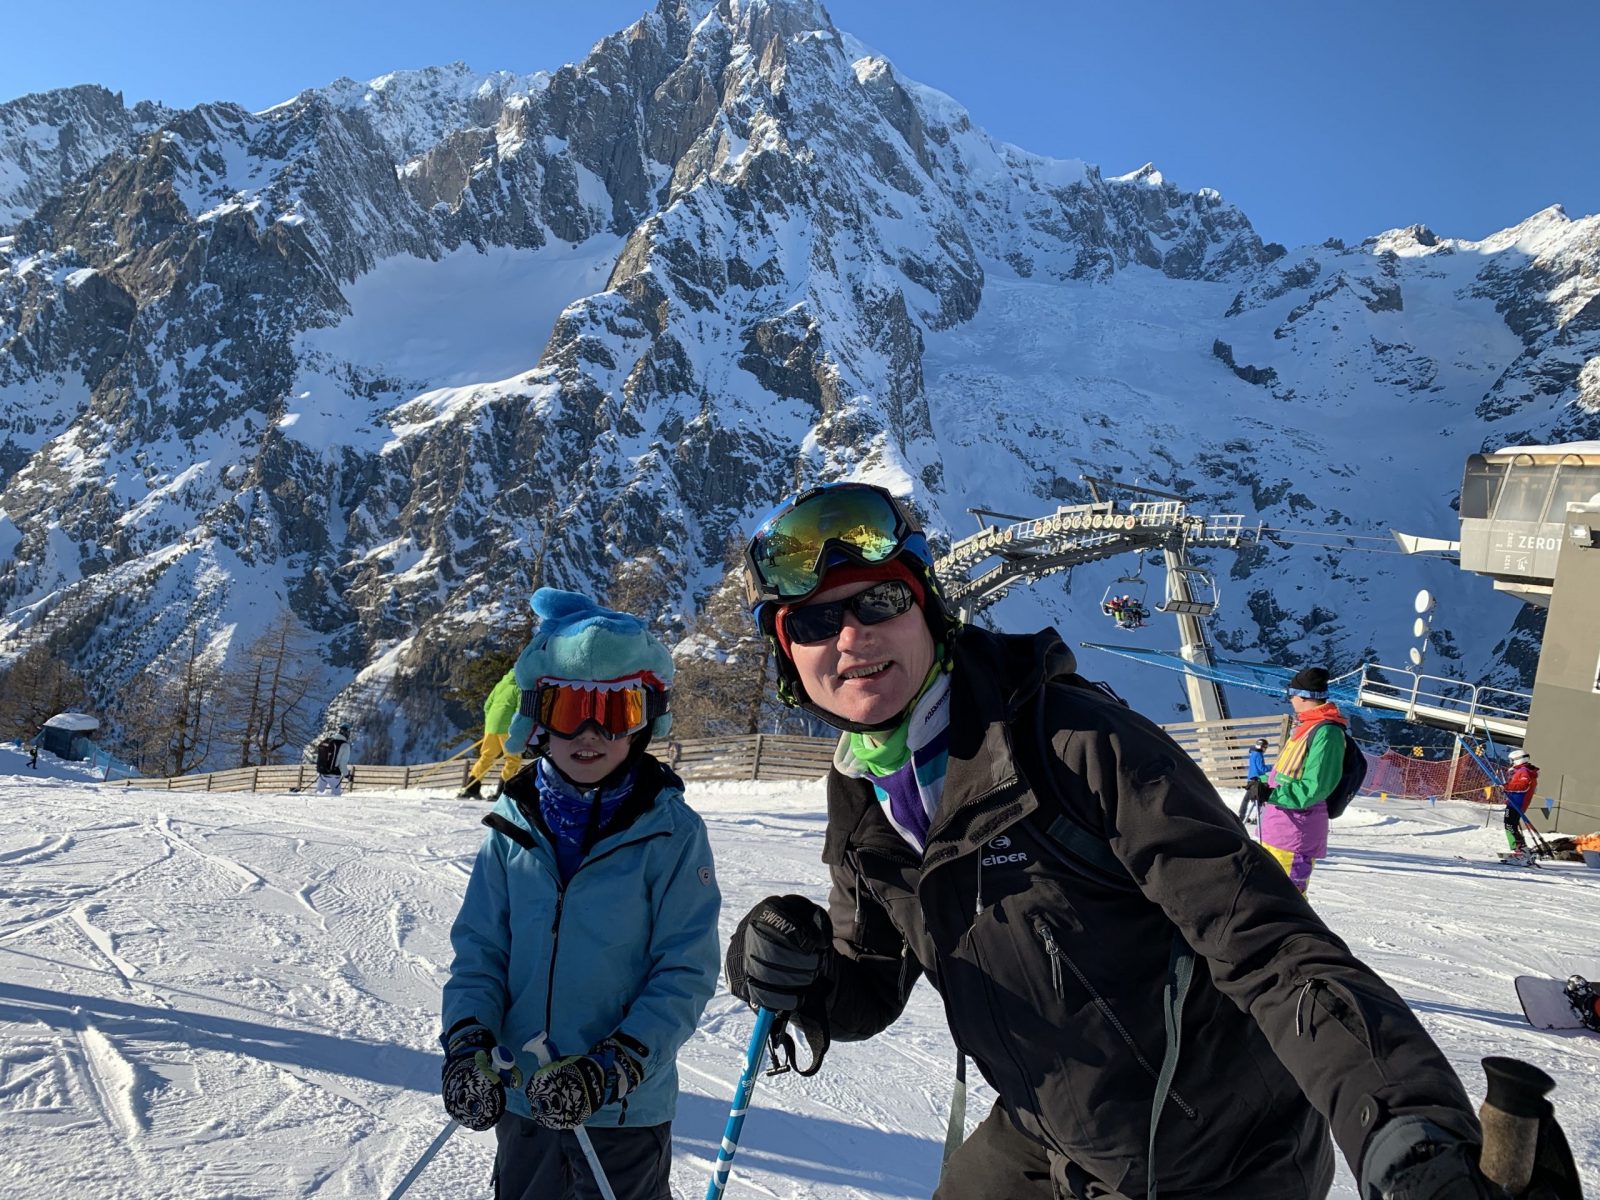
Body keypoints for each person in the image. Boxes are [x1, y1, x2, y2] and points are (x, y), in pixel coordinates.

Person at [722, 480, 1543, 1200]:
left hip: (1219, 1161)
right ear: (790, 656)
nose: (852, 638)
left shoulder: (1073, 743)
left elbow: (1269, 947)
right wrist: (798, 968)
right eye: (817, 621)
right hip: (1049, 1134)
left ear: (928, 608)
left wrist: (1405, 1130)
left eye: (881, 601)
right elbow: (868, 976)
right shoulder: (863, 784)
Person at [440, 588, 720, 1200]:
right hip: (524, 1101)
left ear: (646, 719)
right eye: (569, 709)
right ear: (538, 718)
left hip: (623, 1112)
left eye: (615, 711)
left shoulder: (671, 834)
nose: (590, 732)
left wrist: (612, 1069)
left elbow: (684, 971)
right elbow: (480, 952)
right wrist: (468, 1043)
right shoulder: (513, 827)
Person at [1259, 668, 1347, 895]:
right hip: (1278, 828)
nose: (1290, 699)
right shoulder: (1305, 726)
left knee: (1286, 900)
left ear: (1304, 696)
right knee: (1267, 894)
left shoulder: (1327, 732)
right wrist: (1261, 782)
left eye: (1292, 694)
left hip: (1295, 834)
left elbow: (1316, 786)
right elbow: (1284, 774)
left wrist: (1271, 794)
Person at [458, 668, 524, 800]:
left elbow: (487, 706)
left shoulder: (500, 685)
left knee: (486, 757)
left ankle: (471, 788)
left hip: (491, 727)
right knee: (513, 759)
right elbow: (519, 711)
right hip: (507, 728)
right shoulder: (520, 688)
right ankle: (502, 791)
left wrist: (491, 723)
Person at [1501, 748, 1540, 864]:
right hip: (1515, 802)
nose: (1511, 763)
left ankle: (1521, 851)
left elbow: (1523, 785)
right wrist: (1507, 786)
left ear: (1518, 760)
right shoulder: (1523, 770)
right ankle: (1519, 850)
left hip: (1517, 803)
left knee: (1510, 825)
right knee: (1510, 825)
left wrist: (1507, 787)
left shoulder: (1524, 771)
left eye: (1512, 760)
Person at [313, 724, 352, 796]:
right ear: (347, 733)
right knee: (336, 797)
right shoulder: (345, 745)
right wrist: (347, 775)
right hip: (334, 775)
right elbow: (342, 764)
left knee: (317, 795)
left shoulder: (328, 740)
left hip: (322, 773)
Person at [1238, 736, 1270, 822]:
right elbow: (1261, 768)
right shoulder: (1259, 755)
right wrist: (1272, 767)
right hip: (1257, 780)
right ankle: (1257, 818)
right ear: (1262, 747)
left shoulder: (1252, 753)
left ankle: (1241, 816)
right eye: (1265, 747)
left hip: (1250, 779)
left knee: (1247, 799)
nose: (1265, 749)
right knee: (1260, 798)